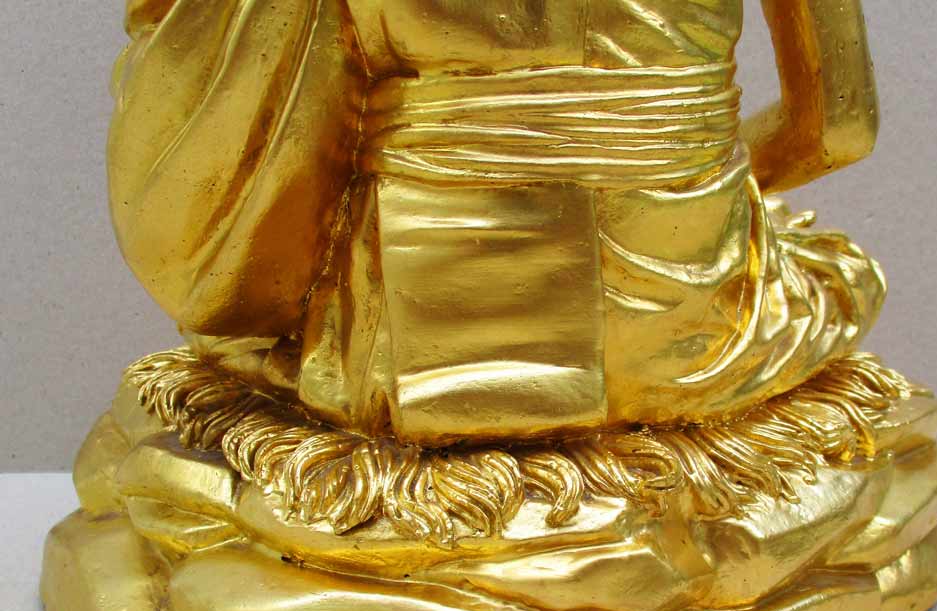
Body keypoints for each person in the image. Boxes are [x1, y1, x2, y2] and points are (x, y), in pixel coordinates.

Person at [110, 0, 885, 446]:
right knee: (821, 265)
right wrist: (675, 181)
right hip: (691, 332)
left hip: (416, 337)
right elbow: (838, 129)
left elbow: (263, 156)